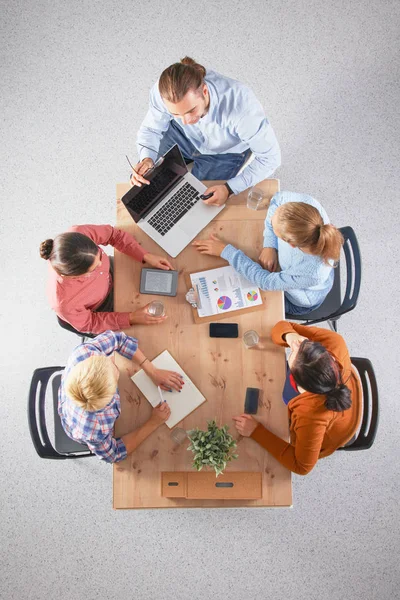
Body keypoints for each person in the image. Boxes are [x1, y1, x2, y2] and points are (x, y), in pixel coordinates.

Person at [130, 56, 281, 206]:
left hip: (225, 154)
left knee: (193, 204)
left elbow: (270, 158)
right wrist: (147, 158)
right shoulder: (163, 92)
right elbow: (151, 129)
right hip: (181, 136)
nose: (186, 121)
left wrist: (229, 189)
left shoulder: (242, 107)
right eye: (175, 114)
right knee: (144, 188)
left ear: (204, 91)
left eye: (191, 110)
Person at [232, 321, 362, 475]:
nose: (293, 348)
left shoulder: (312, 416)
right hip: (340, 395)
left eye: (293, 353)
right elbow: (282, 325)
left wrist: (256, 431)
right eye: (303, 346)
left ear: (300, 388)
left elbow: (302, 466)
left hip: (333, 431)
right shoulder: (335, 342)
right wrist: (292, 336)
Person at [193, 191, 344, 314]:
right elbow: (278, 200)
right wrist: (269, 245)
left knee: (257, 312)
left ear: (290, 244)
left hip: (299, 299)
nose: (270, 223)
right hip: (288, 273)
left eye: (274, 230)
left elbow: (265, 281)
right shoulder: (309, 207)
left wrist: (226, 251)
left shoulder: (312, 272)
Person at [59, 330, 185, 463]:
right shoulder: (95, 430)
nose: (114, 363)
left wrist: (152, 371)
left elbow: (118, 339)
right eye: (115, 372)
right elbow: (114, 454)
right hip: (75, 424)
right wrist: (153, 423)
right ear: (110, 398)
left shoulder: (83, 354)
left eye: (110, 363)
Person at [40, 224, 173, 334]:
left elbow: (113, 235)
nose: (100, 266)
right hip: (102, 308)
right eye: (93, 269)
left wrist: (145, 256)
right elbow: (91, 323)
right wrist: (131, 318)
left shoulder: (78, 235)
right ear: (74, 276)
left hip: (113, 274)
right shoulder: (64, 302)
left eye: (99, 257)